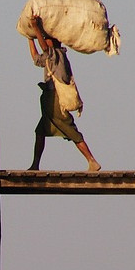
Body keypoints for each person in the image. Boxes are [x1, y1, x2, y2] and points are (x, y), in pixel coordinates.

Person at [27, 15, 101, 171]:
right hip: (49, 99)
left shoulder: (57, 54)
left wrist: (35, 27)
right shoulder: (50, 57)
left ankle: (92, 161)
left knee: (70, 129)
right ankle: (35, 164)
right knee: (40, 131)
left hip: (55, 100)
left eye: (47, 39)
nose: (44, 41)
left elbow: (45, 49)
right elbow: (36, 59)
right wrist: (30, 38)